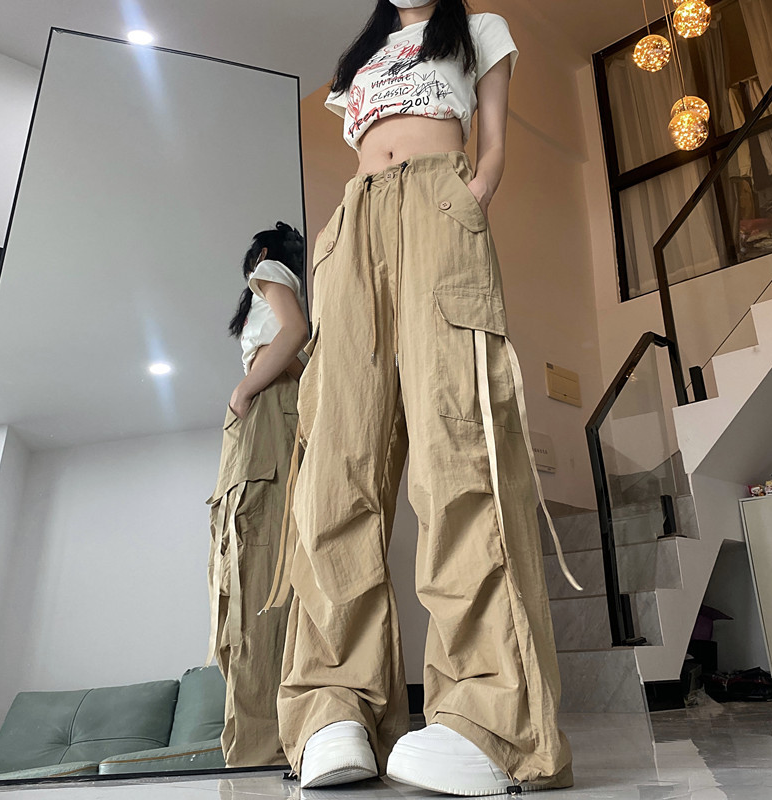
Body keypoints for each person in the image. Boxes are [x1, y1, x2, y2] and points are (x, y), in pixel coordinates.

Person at [263, 1, 580, 793]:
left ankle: (487, 717)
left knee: (457, 450)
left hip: (441, 203)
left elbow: (493, 141)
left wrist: (474, 194)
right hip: (355, 224)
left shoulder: (479, 31)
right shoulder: (358, 60)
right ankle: (334, 703)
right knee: (336, 463)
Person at [206, 221, 310, 768]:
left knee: (257, 569)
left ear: (264, 253)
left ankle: (261, 743)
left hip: (266, 413)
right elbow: (294, 353)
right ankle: (279, 732)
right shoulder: (278, 285)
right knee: (270, 564)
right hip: (278, 413)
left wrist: (244, 389)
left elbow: (294, 332)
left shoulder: (268, 271)